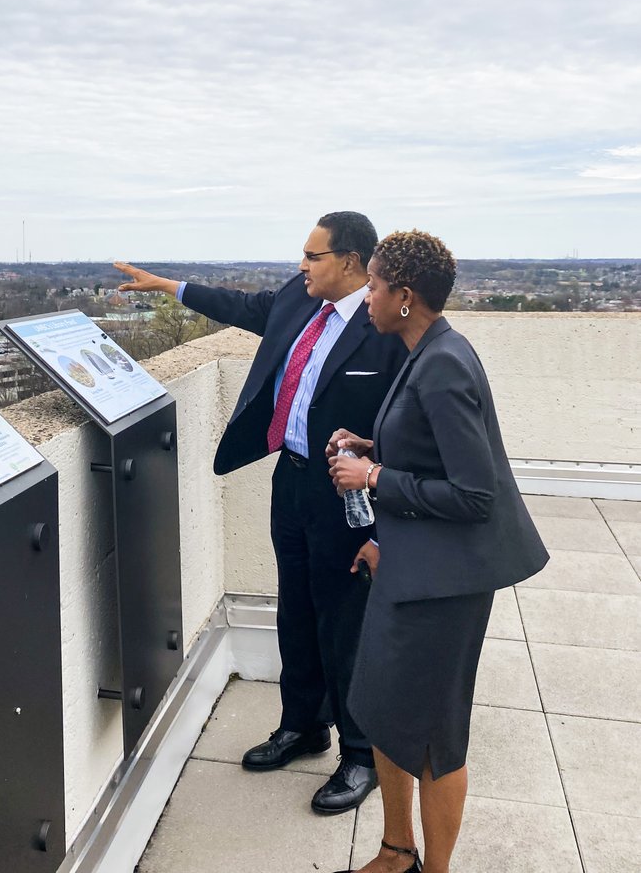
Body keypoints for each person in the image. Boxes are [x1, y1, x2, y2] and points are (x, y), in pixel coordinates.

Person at [116, 211, 407, 815]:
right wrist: (168, 285)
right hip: (293, 480)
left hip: (348, 496)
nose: (302, 265)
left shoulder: (386, 329)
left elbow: (410, 423)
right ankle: (303, 726)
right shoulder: (298, 303)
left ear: (351, 263)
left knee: (345, 621)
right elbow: (241, 306)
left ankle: (360, 755)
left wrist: (385, 503)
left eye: (313, 256)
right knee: (295, 609)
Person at [326, 231, 549, 873]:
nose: (365, 296)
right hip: (410, 568)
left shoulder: (445, 361)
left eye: (372, 285)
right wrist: (377, 452)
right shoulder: (426, 349)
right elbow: (432, 452)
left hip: (444, 588)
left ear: (404, 296)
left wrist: (372, 481)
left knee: (433, 738)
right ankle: (397, 852)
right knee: (381, 711)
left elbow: (475, 494)